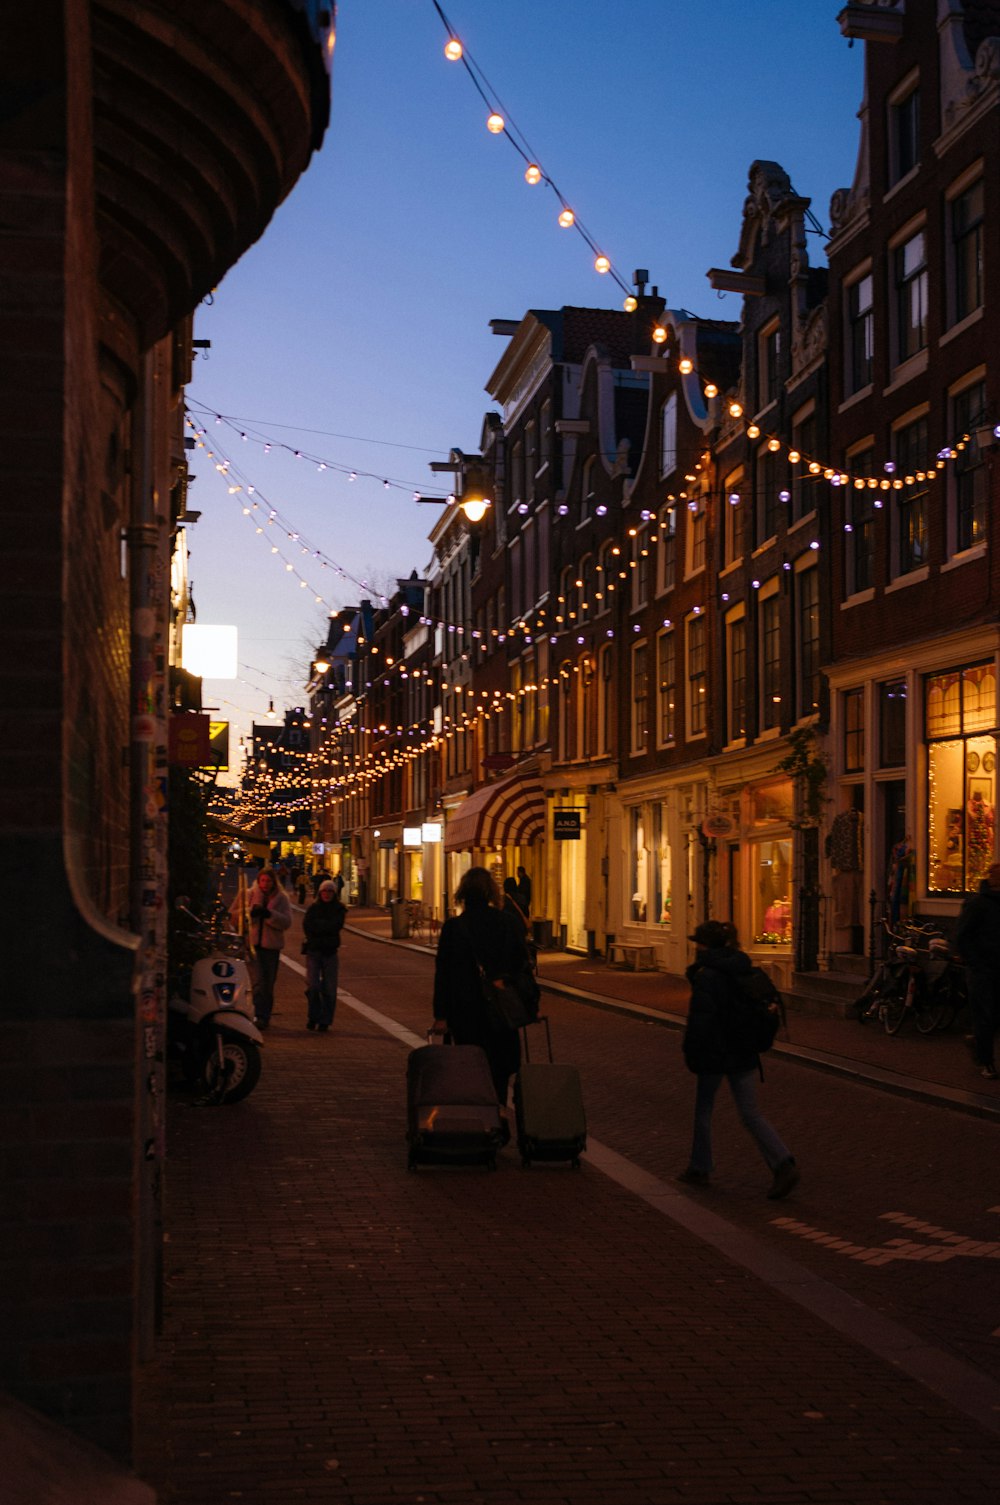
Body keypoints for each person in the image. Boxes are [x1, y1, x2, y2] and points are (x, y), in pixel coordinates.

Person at [678, 919, 799, 1198]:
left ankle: (700, 1167)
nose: (696, 947)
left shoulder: (707, 976)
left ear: (705, 945)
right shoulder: (741, 966)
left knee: (704, 1111)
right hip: (743, 1050)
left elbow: (702, 1020)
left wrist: (693, 1052)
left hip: (716, 1053)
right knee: (750, 1113)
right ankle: (782, 1162)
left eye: (698, 942)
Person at [432, 866, 532, 1106]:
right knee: (499, 1066)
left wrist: (441, 1015)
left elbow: (443, 974)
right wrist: (529, 1002)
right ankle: (498, 1110)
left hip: (465, 1010)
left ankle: (480, 1118)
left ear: (463, 893)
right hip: (500, 1008)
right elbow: (522, 964)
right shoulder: (506, 923)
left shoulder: (454, 928)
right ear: (491, 893)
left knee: (471, 1064)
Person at [953, 861, 1000, 1081]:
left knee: (992, 1017)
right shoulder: (977, 904)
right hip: (982, 970)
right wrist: (976, 963)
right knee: (985, 1016)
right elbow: (962, 937)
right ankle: (987, 1062)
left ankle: (977, 1043)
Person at [230, 867, 292, 1029]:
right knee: (256, 982)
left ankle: (264, 1015)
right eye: (263, 880)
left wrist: (270, 915)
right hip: (251, 945)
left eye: (269, 881)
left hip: (271, 947)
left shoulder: (281, 899)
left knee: (268, 983)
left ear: (274, 882)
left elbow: (286, 922)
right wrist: (251, 912)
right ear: (258, 881)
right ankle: (256, 1014)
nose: (265, 884)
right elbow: (233, 915)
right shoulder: (248, 894)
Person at [302, 879, 347, 1032]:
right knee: (313, 986)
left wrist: (319, 926)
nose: (327, 894)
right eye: (324, 891)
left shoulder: (339, 909)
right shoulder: (313, 908)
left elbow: (336, 926)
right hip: (314, 951)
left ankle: (325, 1020)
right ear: (320, 893)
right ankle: (313, 1016)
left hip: (330, 952)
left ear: (334, 894)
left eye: (330, 891)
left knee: (329, 989)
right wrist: (324, 927)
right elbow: (308, 926)